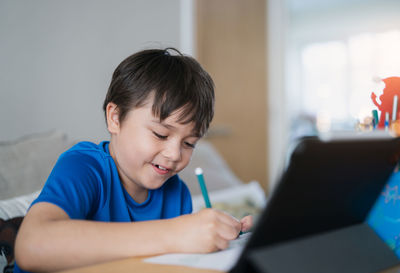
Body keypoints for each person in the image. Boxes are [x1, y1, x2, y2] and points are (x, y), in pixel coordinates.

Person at [14, 48, 253, 273]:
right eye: (160, 134)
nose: (175, 154)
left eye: (189, 143)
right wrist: (174, 234)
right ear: (115, 118)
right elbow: (31, 246)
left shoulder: (176, 193)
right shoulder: (85, 166)